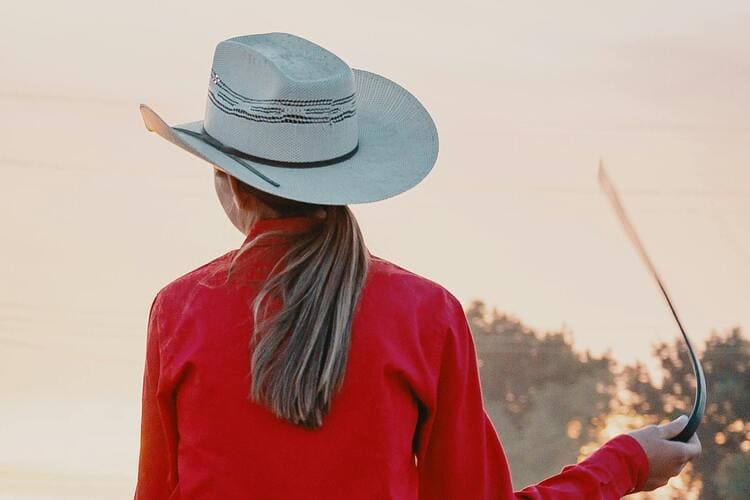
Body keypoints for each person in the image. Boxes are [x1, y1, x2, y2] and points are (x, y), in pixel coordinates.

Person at [134, 32, 701, 499]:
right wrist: (623, 464)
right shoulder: (425, 314)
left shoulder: (180, 310)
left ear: (225, 178)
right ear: (343, 179)